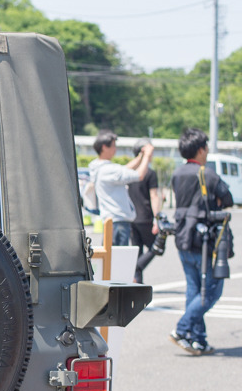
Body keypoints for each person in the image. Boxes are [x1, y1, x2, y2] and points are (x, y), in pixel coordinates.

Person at [169, 127, 233, 356]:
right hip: (203, 240)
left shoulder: (177, 174)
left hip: (182, 237)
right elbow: (228, 198)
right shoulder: (207, 174)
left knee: (194, 289)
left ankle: (198, 340)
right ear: (200, 150)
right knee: (211, 291)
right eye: (205, 147)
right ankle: (182, 329)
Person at [88, 130, 154, 246]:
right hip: (118, 222)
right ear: (104, 147)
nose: (115, 149)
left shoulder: (99, 168)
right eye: (113, 146)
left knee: (110, 260)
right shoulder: (109, 170)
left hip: (111, 221)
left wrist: (140, 157)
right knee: (117, 261)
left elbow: (124, 170)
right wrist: (147, 156)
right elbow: (139, 175)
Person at [127, 138, 164, 283]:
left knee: (137, 250)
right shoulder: (150, 173)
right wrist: (157, 218)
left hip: (131, 218)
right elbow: (154, 196)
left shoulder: (129, 172)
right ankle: (137, 268)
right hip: (146, 217)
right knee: (158, 246)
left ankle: (137, 282)